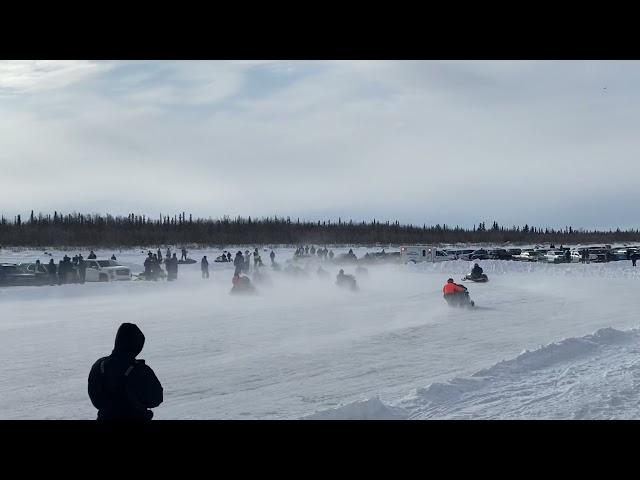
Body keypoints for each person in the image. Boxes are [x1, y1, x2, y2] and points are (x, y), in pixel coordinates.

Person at [88, 323, 163, 420]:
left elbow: (96, 400)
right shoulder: (140, 370)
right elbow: (156, 399)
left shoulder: (99, 366)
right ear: (137, 345)